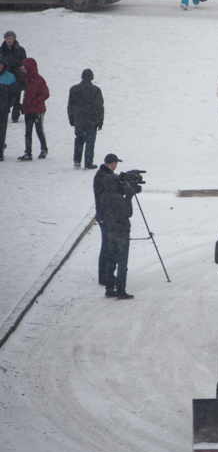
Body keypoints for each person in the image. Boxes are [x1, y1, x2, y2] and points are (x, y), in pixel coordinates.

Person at [99, 171, 136, 299]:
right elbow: (128, 213)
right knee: (122, 263)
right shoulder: (118, 198)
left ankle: (109, 288)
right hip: (122, 231)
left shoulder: (103, 196)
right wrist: (129, 197)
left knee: (111, 261)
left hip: (110, 231)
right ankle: (121, 290)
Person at [94, 153, 121, 294]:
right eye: (116, 163)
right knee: (107, 246)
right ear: (112, 163)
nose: (116, 166)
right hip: (104, 215)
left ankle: (104, 275)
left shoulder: (101, 174)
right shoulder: (104, 177)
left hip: (103, 214)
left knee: (106, 245)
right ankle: (104, 276)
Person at [67, 69, 103, 170]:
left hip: (78, 120)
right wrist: (100, 121)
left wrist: (71, 119)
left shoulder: (74, 89)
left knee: (79, 140)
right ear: (92, 77)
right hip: (92, 121)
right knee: (90, 143)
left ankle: (77, 161)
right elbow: (99, 107)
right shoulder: (96, 90)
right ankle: (88, 163)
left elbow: (70, 106)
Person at [17, 58, 49, 161]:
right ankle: (28, 152)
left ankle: (44, 149)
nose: (22, 68)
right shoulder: (25, 78)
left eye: (24, 67)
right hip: (28, 109)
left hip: (38, 110)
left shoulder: (39, 80)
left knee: (39, 130)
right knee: (28, 131)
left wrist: (34, 102)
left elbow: (45, 94)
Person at [1, 31, 26, 123]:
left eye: (10, 38)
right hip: (5, 77)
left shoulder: (20, 50)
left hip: (17, 77)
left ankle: (15, 116)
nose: (9, 40)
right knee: (4, 97)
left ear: (14, 39)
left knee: (16, 96)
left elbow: (24, 63)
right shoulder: (2, 50)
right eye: (7, 39)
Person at [0, 57, 15, 161]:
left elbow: (14, 94)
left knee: (2, 131)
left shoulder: (10, 77)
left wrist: (8, 105)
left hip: (3, 109)